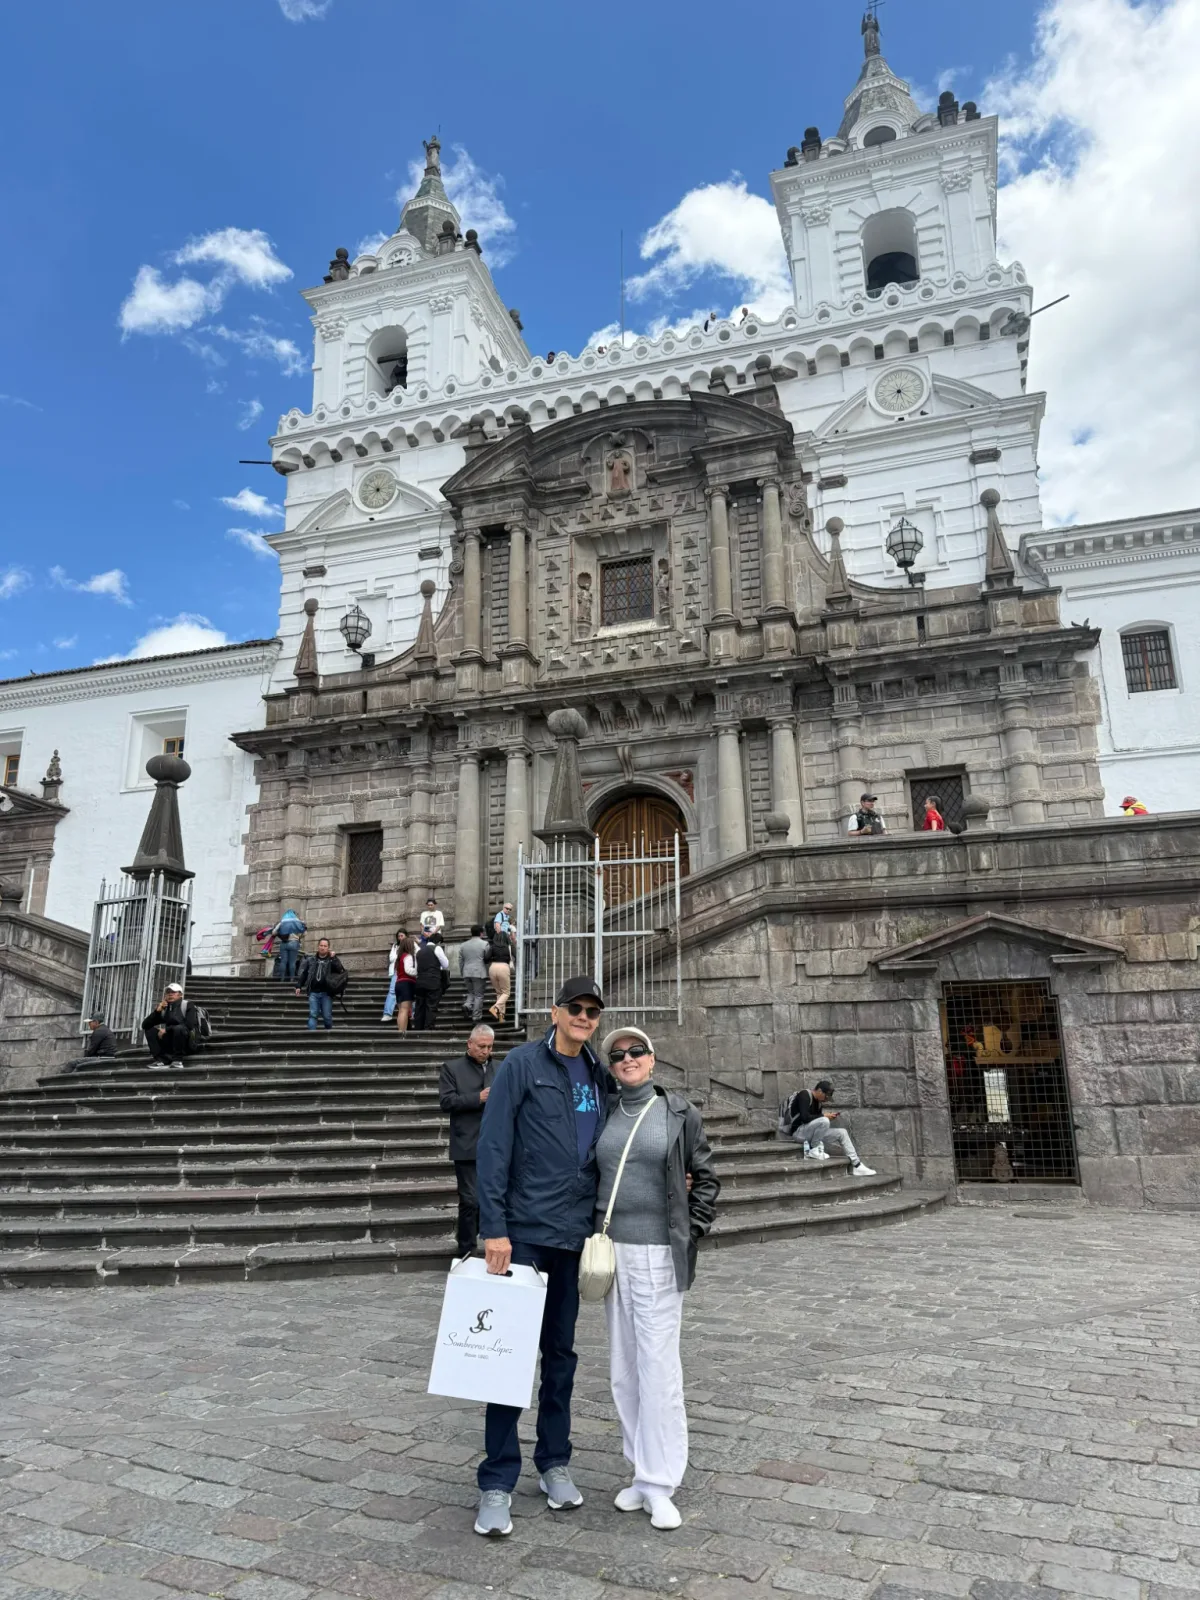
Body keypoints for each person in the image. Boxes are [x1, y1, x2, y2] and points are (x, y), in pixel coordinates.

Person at [473, 975, 614, 1538]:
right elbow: (493, 1145)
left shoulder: (599, 1077)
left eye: (593, 1011)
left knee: (561, 1356)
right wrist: (494, 1228)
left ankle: (554, 1461)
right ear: (555, 1012)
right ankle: (496, 1480)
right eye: (575, 1008)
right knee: (506, 1360)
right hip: (523, 1235)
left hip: (573, 1235)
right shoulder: (521, 1065)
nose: (584, 1017)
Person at [597, 1026, 719, 1531]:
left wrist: (689, 1233)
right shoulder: (603, 1111)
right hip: (610, 1253)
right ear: (610, 1065)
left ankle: (662, 1480)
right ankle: (639, 1473)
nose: (628, 1058)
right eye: (618, 1054)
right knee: (623, 1369)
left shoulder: (678, 1113)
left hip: (658, 1252)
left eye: (637, 1051)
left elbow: (705, 1179)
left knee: (658, 1368)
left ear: (652, 1059)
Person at [438, 1024, 496, 1257]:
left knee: (491, 1197)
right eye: (481, 1046)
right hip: (466, 1144)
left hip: (495, 1144)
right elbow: (446, 1102)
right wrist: (477, 1098)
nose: (486, 1051)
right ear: (469, 1044)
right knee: (470, 1199)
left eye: (490, 1047)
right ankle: (466, 1248)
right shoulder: (451, 1068)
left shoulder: (500, 1067)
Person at [778, 1079, 875, 1176]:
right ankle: (814, 1149)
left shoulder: (819, 1103)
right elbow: (805, 1118)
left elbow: (816, 1122)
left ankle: (857, 1165)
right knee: (824, 1120)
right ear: (819, 1091)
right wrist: (824, 1117)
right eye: (826, 1096)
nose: (826, 1100)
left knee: (842, 1133)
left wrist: (827, 1117)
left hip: (810, 1134)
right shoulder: (804, 1095)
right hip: (798, 1133)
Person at [142, 983, 199, 1069]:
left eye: (173, 992)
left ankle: (177, 1061)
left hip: (187, 1044)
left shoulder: (188, 1005)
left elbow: (189, 1025)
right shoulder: (165, 1008)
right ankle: (161, 1060)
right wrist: (157, 1011)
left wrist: (167, 1030)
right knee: (149, 1029)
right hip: (170, 1043)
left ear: (180, 994)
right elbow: (145, 1025)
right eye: (168, 992)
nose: (170, 994)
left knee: (179, 1028)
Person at [295, 938, 345, 1031]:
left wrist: (334, 958)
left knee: (327, 1017)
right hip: (313, 993)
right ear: (318, 947)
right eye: (321, 945)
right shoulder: (311, 960)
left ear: (328, 948)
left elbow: (340, 970)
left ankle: (328, 1034)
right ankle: (312, 1038)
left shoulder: (331, 960)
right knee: (313, 1014)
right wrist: (299, 986)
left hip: (327, 993)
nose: (322, 948)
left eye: (325, 946)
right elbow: (305, 974)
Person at [413, 934, 449, 1030]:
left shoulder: (419, 951)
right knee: (431, 1006)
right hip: (433, 982)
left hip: (420, 982)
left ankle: (418, 1028)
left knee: (420, 1006)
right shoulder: (437, 948)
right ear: (438, 942)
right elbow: (445, 964)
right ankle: (428, 1028)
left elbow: (416, 969)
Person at [459, 923, 490, 1024]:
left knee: (471, 992)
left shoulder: (463, 945)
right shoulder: (484, 944)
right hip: (479, 972)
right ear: (481, 933)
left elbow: (460, 960)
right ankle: (476, 1016)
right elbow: (487, 958)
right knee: (479, 995)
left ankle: (467, 1005)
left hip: (466, 971)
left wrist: (462, 971)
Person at [486, 923, 513, 1023]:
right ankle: (495, 1008)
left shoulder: (492, 947)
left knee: (499, 993)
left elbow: (486, 958)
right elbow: (511, 957)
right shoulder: (507, 947)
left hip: (493, 968)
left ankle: (501, 1017)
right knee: (506, 992)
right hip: (503, 967)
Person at [380, 927, 409, 1023]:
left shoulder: (409, 945)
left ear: (406, 936)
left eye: (402, 936)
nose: (400, 938)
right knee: (392, 991)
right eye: (399, 936)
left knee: (409, 993)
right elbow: (392, 958)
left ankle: (411, 1014)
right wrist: (400, 954)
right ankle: (387, 1014)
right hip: (396, 971)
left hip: (407, 972)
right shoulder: (395, 946)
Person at [270, 908, 306, 982]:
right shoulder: (298, 922)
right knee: (292, 962)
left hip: (283, 944)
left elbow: (273, 933)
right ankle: (292, 978)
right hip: (294, 943)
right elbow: (304, 933)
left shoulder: (282, 922)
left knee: (283, 961)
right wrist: (299, 937)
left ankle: (282, 979)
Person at [393, 935, 418, 1032]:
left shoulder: (400, 958)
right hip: (406, 984)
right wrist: (417, 971)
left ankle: (400, 1031)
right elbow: (408, 970)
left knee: (401, 1010)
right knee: (404, 1010)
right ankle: (402, 1033)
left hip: (399, 983)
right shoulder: (408, 956)